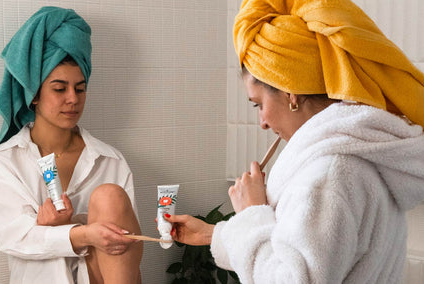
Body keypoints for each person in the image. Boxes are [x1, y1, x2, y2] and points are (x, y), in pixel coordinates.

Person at [164, 0, 424, 283]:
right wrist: (212, 234)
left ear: (291, 94)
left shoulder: (328, 175)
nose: (262, 122)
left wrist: (252, 212)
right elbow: (296, 251)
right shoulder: (353, 154)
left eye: (258, 104)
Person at [0, 7, 142, 284]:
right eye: (59, 88)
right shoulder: (2, 163)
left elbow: (127, 246)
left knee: (109, 197)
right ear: (33, 96)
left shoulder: (111, 161)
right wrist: (85, 233)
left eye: (80, 88)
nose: (72, 99)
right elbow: (16, 239)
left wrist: (62, 227)